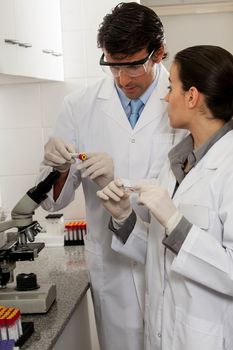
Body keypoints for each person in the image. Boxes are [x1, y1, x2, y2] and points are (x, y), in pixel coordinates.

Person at [38, 3, 185, 350]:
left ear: (158, 52)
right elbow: (52, 200)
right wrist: (59, 168)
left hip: (171, 265)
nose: (123, 79)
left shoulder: (183, 100)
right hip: (114, 268)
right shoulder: (79, 106)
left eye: (133, 65)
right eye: (113, 66)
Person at [97, 45, 233, 350]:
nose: (164, 96)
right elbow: (161, 256)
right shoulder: (178, 163)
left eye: (171, 87)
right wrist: (123, 217)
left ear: (192, 96)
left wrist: (175, 221)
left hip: (208, 338)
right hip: (163, 333)